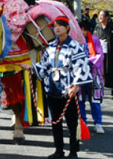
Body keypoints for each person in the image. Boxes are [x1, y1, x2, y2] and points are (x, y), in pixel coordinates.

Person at [20, 16, 92, 159]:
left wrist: (76, 86)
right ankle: (59, 150)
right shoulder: (51, 46)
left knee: (72, 123)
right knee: (56, 122)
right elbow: (46, 65)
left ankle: (73, 151)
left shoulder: (74, 46)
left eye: (60, 26)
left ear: (67, 28)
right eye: (55, 26)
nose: (57, 28)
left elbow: (81, 67)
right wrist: (32, 67)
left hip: (68, 88)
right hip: (53, 88)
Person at [78, 21, 105, 133]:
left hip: (93, 74)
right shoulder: (75, 41)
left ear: (83, 29)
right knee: (80, 100)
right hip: (79, 75)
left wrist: (86, 61)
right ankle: (82, 122)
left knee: (95, 100)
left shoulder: (94, 40)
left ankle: (98, 123)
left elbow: (100, 56)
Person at [93, 10, 113, 98]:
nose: (100, 17)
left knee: (111, 70)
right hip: (99, 52)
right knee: (100, 72)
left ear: (106, 17)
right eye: (99, 16)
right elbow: (94, 39)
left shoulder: (112, 28)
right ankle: (99, 90)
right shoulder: (97, 27)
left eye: (102, 16)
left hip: (110, 52)